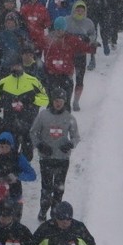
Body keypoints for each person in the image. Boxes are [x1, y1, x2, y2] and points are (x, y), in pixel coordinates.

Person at [30, 89, 80, 221]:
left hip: (62, 158)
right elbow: (33, 132)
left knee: (59, 188)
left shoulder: (69, 118)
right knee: (46, 188)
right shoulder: (43, 116)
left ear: (65, 102)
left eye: (61, 101)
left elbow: (76, 137)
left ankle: (55, 213)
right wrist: (40, 145)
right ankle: (43, 209)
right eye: (56, 101)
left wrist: (70, 144)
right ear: (52, 101)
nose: (58, 103)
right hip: (46, 158)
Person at [0, 61, 49, 161]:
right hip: (10, 123)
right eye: (14, 65)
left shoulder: (33, 80)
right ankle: (11, 173)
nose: (16, 67)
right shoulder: (3, 82)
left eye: (18, 65)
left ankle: (24, 174)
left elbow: (46, 100)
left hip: (28, 122)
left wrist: (34, 100)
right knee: (9, 152)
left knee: (27, 154)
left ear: (22, 66)